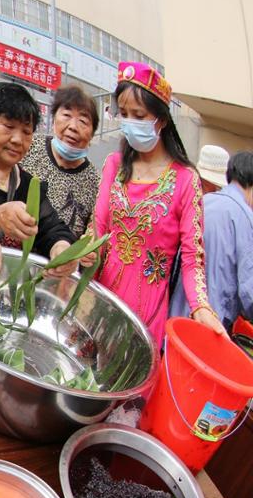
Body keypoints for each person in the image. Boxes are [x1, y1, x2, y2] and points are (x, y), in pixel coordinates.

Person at [89, 62, 224, 345]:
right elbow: (97, 231)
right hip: (100, 302)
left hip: (147, 313)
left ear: (161, 120)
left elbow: (192, 257)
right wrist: (78, 256)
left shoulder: (186, 179)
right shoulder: (114, 166)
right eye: (123, 114)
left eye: (138, 115)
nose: (129, 122)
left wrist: (201, 307)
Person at [0, 83, 77, 275]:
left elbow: (54, 229)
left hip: (1, 290)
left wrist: (61, 250)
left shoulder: (30, 186)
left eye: (26, 132)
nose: (17, 140)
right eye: (8, 127)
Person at [169, 150, 253, 332]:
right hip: (210, 326)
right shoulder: (246, 219)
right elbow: (250, 294)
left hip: (173, 318)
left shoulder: (201, 203)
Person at [20, 85, 102, 238]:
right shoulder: (27, 148)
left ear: (92, 134)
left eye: (83, 121)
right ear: (53, 118)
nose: (73, 127)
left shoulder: (96, 183)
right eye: (66, 115)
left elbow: (91, 235)